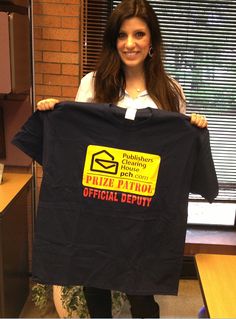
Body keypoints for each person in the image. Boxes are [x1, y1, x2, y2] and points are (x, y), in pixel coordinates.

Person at [36, 0, 207, 317]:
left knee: (141, 297)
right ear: (113, 40)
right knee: (96, 288)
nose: (130, 44)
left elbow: (176, 160)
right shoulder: (92, 83)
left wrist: (193, 127)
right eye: (122, 35)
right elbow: (78, 144)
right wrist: (55, 114)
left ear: (151, 40)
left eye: (139, 34)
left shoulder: (170, 92)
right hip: (96, 210)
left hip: (144, 217)